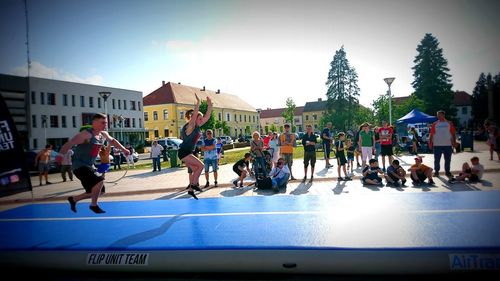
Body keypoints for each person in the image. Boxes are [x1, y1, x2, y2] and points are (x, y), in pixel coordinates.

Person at [58, 113, 129, 213]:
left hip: (89, 166)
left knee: (101, 191)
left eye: (106, 123)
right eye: (103, 123)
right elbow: (69, 143)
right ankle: (93, 205)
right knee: (99, 180)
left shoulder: (103, 134)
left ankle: (74, 199)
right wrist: (60, 155)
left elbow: (113, 141)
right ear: (94, 123)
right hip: (79, 166)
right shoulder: (86, 134)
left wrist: (124, 149)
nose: (105, 125)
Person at [178, 93, 213, 199]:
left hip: (188, 152)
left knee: (195, 169)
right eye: (200, 118)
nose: (202, 120)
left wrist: (210, 105)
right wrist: (197, 103)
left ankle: (190, 190)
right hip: (184, 152)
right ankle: (193, 185)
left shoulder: (197, 125)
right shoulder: (190, 126)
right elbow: (194, 117)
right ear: (195, 118)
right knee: (201, 166)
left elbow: (207, 117)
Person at [429, 110, 456, 179]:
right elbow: (431, 134)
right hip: (437, 145)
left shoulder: (449, 123)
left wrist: (454, 143)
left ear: (443, 115)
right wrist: (430, 143)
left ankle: (447, 172)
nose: (438, 116)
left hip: (448, 145)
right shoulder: (434, 124)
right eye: (437, 115)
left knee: (448, 159)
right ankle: (436, 172)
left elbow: (453, 134)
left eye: (439, 115)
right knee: (437, 160)